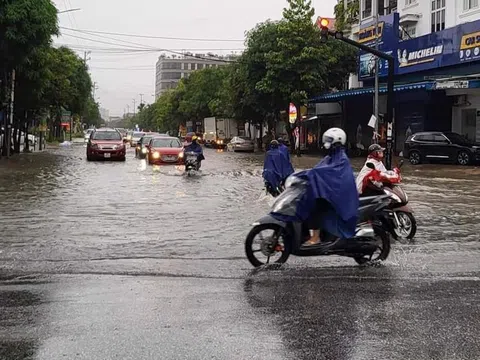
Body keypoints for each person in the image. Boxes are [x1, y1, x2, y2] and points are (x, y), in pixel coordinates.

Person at [271, 128, 359, 246]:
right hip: (330, 193)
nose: (325, 143)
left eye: (329, 140)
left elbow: (325, 173)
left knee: (315, 207)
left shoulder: (341, 159)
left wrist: (308, 175)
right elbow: (317, 169)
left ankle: (316, 238)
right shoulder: (331, 156)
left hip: (338, 196)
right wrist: (302, 176)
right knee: (305, 201)